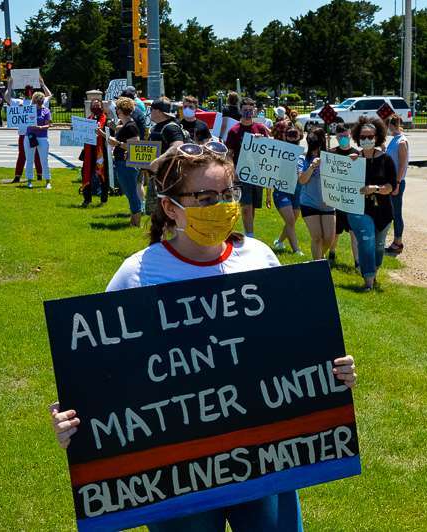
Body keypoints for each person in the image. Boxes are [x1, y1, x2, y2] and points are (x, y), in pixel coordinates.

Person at [49, 142, 358, 532]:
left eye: (228, 194)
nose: (222, 205)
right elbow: (104, 372)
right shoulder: (136, 276)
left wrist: (333, 371)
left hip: (265, 458)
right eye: (206, 196)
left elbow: (290, 349)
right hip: (179, 476)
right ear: (171, 207)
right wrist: (76, 418)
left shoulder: (260, 258)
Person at [349, 117, 397, 291]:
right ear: (357, 138)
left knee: (378, 246)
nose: (367, 140)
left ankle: (373, 272)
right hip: (359, 210)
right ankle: (368, 281)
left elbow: (392, 187)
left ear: (377, 137)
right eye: (363, 136)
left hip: (383, 210)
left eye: (370, 136)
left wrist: (375, 188)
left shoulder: (386, 160)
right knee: (366, 240)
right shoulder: (353, 159)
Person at [225, 97, 269, 238]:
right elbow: (229, 154)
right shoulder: (234, 131)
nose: (248, 113)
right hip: (241, 172)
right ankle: (250, 235)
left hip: (257, 172)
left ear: (254, 110)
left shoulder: (260, 128)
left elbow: (269, 148)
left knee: (253, 206)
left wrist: (262, 140)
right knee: (246, 205)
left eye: (251, 110)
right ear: (240, 110)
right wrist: (233, 171)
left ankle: (248, 231)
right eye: (245, 110)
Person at [298, 127, 335, 260]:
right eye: (312, 145)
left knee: (329, 238)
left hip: (328, 203)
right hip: (309, 202)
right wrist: (312, 166)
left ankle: (321, 256)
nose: (314, 149)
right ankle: (317, 265)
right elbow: (302, 180)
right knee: (317, 237)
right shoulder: (303, 158)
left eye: (317, 145)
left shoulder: (330, 157)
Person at [145, 97, 187, 214]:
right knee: (155, 213)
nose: (150, 112)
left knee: (168, 212)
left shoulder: (170, 127)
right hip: (158, 177)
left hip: (169, 178)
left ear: (158, 111)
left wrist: (158, 161)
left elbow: (178, 146)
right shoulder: (155, 127)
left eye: (151, 109)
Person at [4, 76, 49, 183]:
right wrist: (9, 85)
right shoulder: (19, 102)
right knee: (22, 155)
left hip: (36, 133)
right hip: (24, 133)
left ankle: (39, 175)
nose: (28, 92)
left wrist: (42, 84)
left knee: (37, 155)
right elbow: (7, 98)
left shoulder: (38, 103)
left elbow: (48, 96)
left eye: (30, 90)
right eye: (27, 90)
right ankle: (18, 176)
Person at [270, 121, 305, 256]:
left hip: (297, 190)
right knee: (290, 220)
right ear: (284, 136)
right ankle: (296, 250)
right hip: (281, 190)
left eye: (294, 134)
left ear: (300, 136)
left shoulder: (303, 154)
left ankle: (279, 241)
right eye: (289, 134)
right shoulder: (278, 150)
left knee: (292, 220)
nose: (291, 136)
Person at [107, 97, 143, 226]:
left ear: (120, 110)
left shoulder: (131, 125)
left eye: (117, 108)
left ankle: (136, 222)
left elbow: (135, 145)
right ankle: (133, 220)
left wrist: (117, 143)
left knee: (131, 192)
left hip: (126, 162)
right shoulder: (126, 124)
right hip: (122, 162)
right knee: (129, 192)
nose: (115, 110)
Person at [329, 123, 360, 268]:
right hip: (336, 200)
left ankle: (357, 262)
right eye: (340, 136)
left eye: (346, 136)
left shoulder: (357, 154)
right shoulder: (332, 153)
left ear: (350, 136)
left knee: (354, 233)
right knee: (336, 232)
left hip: (352, 201)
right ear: (336, 137)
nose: (343, 138)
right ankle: (332, 252)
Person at [384, 115, 409, 255]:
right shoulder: (394, 140)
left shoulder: (401, 142)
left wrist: (397, 183)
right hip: (391, 181)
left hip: (397, 182)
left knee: (396, 213)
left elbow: (402, 165)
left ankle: (398, 242)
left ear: (391, 125)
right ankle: (395, 240)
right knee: (391, 212)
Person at [80, 98, 110, 206]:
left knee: (103, 175)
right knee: (85, 173)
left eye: (98, 105)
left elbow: (110, 136)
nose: (96, 107)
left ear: (102, 107)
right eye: (94, 105)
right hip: (89, 152)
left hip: (101, 151)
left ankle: (103, 199)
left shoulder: (106, 120)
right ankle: (87, 199)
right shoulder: (88, 119)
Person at [24, 91, 52, 189]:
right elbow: (23, 119)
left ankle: (48, 181)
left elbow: (48, 124)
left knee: (44, 160)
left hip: (42, 137)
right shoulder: (28, 110)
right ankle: (29, 180)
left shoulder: (46, 111)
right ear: (33, 100)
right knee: (29, 159)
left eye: (41, 99)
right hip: (30, 136)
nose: (39, 101)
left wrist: (40, 127)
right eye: (37, 99)